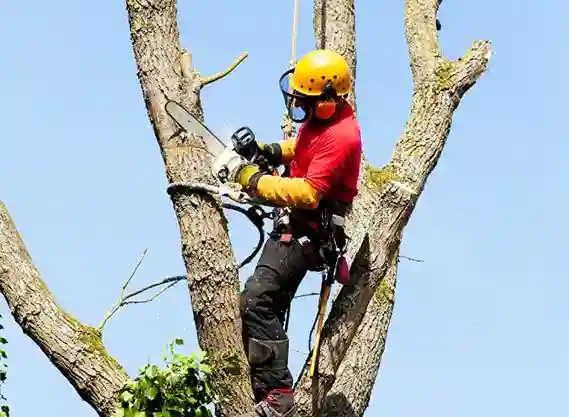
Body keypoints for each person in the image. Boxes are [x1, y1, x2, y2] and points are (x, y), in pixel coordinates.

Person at [233, 49, 362, 417]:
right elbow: (302, 146)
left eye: (306, 103)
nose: (300, 110)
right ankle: (260, 381)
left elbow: (308, 193)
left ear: (326, 100)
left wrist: (254, 180)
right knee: (258, 303)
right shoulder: (324, 122)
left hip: (309, 232)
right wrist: (268, 151)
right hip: (294, 224)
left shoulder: (343, 137)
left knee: (257, 300)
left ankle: (279, 396)